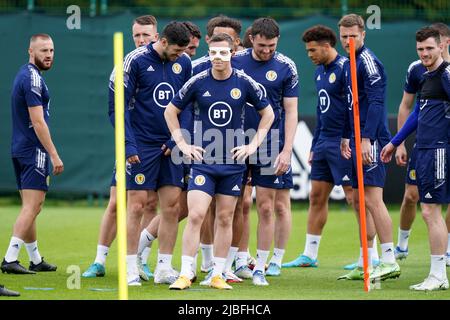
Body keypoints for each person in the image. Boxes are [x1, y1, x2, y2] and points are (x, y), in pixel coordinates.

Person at [166, 32, 274, 290]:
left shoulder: (244, 82)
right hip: (203, 161)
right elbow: (171, 111)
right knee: (196, 215)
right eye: (213, 53)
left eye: (223, 53)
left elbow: (268, 114)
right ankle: (185, 273)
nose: (217, 58)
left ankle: (217, 274)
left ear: (232, 54)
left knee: (225, 218)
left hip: (234, 164)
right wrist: (182, 143)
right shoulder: (197, 81)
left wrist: (252, 145)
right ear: (209, 52)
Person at [109, 21, 191, 286]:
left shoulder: (185, 63)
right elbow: (117, 108)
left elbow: (188, 107)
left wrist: (177, 138)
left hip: (171, 145)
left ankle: (164, 268)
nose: (181, 55)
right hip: (140, 144)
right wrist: (128, 144)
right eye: (177, 50)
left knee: (171, 207)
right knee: (136, 206)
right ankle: (130, 267)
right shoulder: (134, 61)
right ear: (164, 42)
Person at [82, 15, 159, 280]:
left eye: (146, 35)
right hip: (130, 145)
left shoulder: (166, 64)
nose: (140, 40)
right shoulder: (124, 66)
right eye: (137, 35)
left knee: (152, 203)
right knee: (117, 202)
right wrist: (127, 144)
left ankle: (141, 260)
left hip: (157, 145)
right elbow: (115, 110)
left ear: (156, 36)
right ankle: (99, 261)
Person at [381, 27, 450, 291]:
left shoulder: (445, 75)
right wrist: (395, 141)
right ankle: (438, 274)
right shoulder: (426, 75)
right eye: (420, 49)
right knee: (427, 210)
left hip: (438, 151)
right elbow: (418, 114)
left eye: (430, 48)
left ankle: (438, 275)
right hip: (423, 149)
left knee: (431, 212)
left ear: (441, 46)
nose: (424, 53)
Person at [232, 17, 298, 283]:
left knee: (267, 207)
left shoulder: (286, 66)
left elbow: (291, 111)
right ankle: (230, 263)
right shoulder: (235, 60)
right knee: (234, 204)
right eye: (261, 45)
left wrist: (287, 150)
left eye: (271, 45)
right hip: (235, 142)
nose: (266, 50)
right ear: (251, 39)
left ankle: (261, 266)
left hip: (271, 144)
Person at [337, 14, 400, 282]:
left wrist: (365, 139)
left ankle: (389, 260)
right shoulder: (345, 65)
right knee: (360, 201)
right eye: (344, 36)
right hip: (354, 137)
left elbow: (375, 104)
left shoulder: (369, 63)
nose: (348, 41)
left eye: (353, 36)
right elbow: (348, 104)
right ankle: (368, 259)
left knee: (374, 199)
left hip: (370, 139)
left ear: (363, 35)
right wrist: (344, 136)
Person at [1, 34, 63, 275]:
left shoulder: (25, 75)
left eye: (51, 50)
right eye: (43, 50)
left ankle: (35, 259)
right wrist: (54, 155)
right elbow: (38, 122)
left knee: (32, 206)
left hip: (20, 148)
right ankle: (10, 258)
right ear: (30, 51)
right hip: (32, 149)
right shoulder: (32, 78)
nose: (49, 55)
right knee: (32, 206)